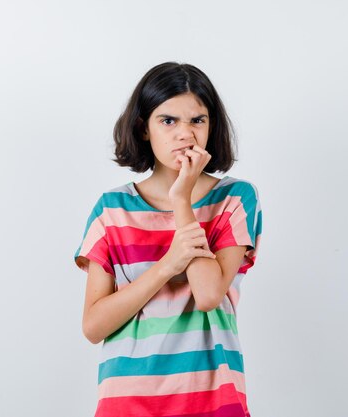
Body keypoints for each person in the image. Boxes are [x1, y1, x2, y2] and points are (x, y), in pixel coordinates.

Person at [74, 62, 263, 417]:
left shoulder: (235, 199)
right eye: (168, 120)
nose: (185, 134)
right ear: (144, 128)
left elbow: (208, 295)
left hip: (213, 399)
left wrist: (182, 199)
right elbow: (93, 326)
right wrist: (166, 266)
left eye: (198, 120)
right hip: (128, 402)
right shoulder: (111, 209)